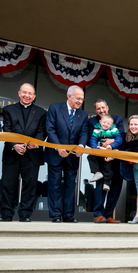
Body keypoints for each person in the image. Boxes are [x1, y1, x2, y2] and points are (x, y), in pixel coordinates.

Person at [0, 83, 46, 222]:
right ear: (19, 93)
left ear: (34, 96)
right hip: (12, 154)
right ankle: (6, 214)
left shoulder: (41, 112)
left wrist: (36, 142)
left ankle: (25, 215)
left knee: (30, 186)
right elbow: (6, 129)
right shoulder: (8, 110)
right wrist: (15, 145)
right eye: (24, 92)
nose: (27, 95)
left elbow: (42, 131)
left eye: (30, 93)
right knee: (8, 185)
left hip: (32, 155)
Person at [44, 85, 88, 223]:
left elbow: (84, 133)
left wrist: (81, 146)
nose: (80, 101)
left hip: (73, 157)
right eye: (78, 98)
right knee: (54, 184)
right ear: (69, 96)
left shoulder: (83, 115)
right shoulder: (55, 108)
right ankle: (56, 215)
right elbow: (50, 129)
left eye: (82, 99)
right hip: (55, 154)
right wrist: (58, 147)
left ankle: (68, 215)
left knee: (70, 185)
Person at [87, 99, 125, 223]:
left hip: (116, 159)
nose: (101, 110)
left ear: (107, 107)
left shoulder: (117, 120)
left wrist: (111, 144)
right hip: (100, 159)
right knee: (100, 187)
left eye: (103, 108)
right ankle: (98, 214)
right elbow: (89, 138)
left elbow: (122, 137)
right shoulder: (91, 122)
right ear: (95, 110)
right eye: (98, 108)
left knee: (115, 187)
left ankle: (108, 215)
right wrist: (101, 147)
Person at [89, 114, 122, 193]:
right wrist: (95, 149)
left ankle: (106, 183)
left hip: (110, 151)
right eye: (104, 122)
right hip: (100, 150)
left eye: (108, 123)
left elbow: (119, 139)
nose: (106, 125)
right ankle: (97, 173)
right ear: (100, 122)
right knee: (90, 157)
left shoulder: (114, 130)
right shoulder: (96, 130)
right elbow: (93, 139)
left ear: (111, 125)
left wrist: (111, 146)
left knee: (108, 166)